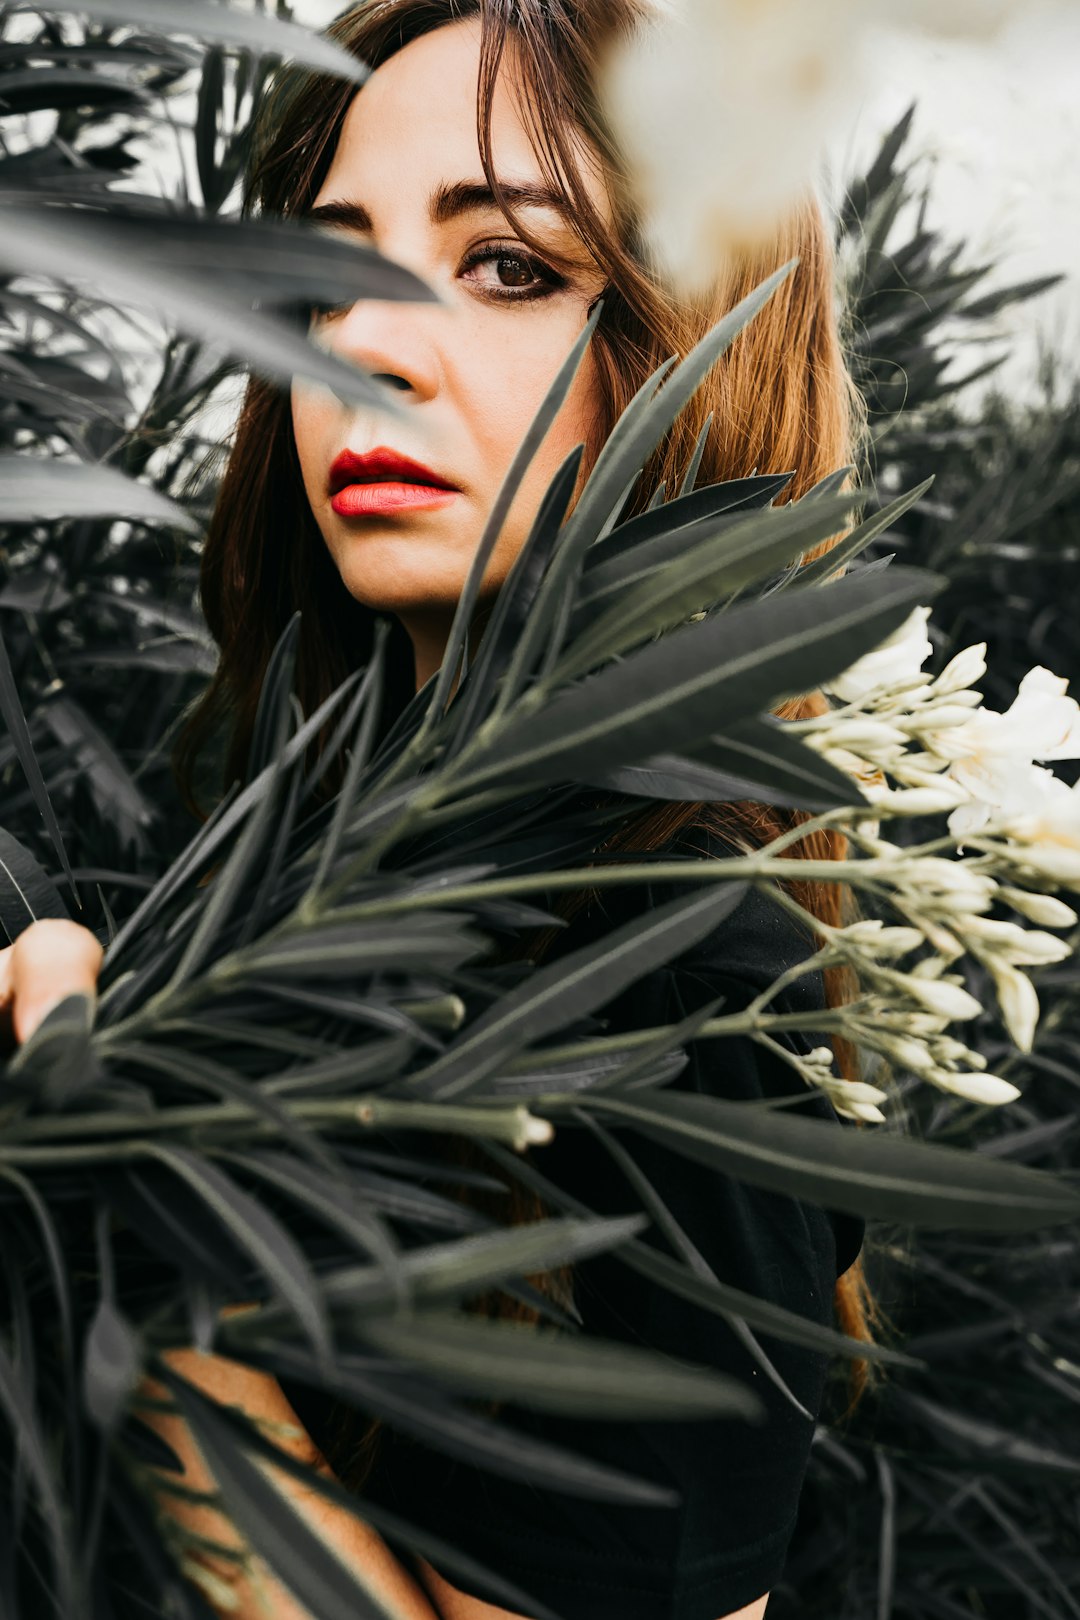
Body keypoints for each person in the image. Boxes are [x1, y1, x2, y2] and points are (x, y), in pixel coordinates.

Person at [0, 1, 887, 1616]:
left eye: (512, 266)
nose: (362, 343)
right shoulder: (299, 835)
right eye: (325, 263)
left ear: (701, 341)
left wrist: (106, 1208)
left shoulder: (682, 999)